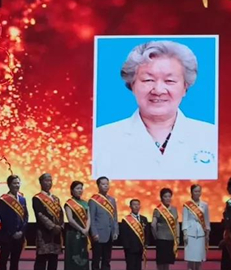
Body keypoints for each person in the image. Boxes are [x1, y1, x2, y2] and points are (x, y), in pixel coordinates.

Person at [93, 40, 218, 180]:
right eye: (148, 80)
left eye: (170, 81)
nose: (158, 90)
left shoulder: (212, 137)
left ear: (185, 87)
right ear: (132, 85)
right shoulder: (100, 140)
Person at [32, 173, 63, 270]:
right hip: (44, 233)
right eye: (46, 180)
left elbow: (60, 214)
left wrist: (60, 226)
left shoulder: (56, 199)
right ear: (41, 182)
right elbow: (40, 215)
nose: (49, 183)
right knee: (41, 261)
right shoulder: (37, 198)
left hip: (56, 234)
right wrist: (52, 226)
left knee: (53, 261)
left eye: (50, 180)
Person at [0, 174, 28, 270]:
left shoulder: (22, 199)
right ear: (9, 185)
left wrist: (21, 232)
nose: (17, 185)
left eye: (18, 183)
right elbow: (3, 217)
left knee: (15, 263)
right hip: (7, 236)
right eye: (14, 183)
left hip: (19, 236)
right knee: (3, 263)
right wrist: (12, 232)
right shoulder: (3, 199)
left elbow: (26, 217)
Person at [89, 176, 119, 270]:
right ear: (98, 186)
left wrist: (116, 231)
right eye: (103, 184)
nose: (106, 186)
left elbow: (115, 217)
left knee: (107, 261)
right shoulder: (94, 200)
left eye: (107, 184)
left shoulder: (112, 200)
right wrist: (94, 233)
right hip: (98, 234)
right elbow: (91, 218)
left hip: (109, 234)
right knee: (96, 261)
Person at [64, 181, 91, 270]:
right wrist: (81, 229)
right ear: (72, 190)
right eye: (77, 188)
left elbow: (88, 218)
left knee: (82, 257)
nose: (80, 190)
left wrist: (86, 229)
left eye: (81, 188)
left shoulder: (85, 203)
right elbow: (70, 220)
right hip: (73, 234)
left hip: (83, 234)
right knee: (72, 257)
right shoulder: (69, 203)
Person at [182, 184, 210, 270]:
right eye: (195, 191)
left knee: (199, 258)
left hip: (201, 233)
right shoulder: (187, 205)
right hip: (190, 233)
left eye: (199, 191)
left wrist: (207, 233)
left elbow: (207, 220)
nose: (197, 193)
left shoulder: (204, 205)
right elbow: (184, 220)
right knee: (190, 259)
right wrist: (185, 233)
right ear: (191, 192)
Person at [151, 188, 179, 270]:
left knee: (167, 261)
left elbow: (176, 223)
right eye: (165, 196)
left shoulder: (174, 209)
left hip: (171, 238)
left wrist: (177, 237)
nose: (167, 198)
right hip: (161, 238)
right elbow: (153, 224)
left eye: (169, 196)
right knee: (161, 262)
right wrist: (156, 236)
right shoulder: (158, 209)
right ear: (161, 198)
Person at [120, 199, 149, 270]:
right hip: (130, 247)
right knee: (131, 265)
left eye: (137, 204)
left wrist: (146, 243)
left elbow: (147, 233)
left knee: (138, 265)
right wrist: (126, 246)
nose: (136, 206)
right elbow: (124, 234)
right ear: (130, 207)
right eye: (134, 205)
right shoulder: (126, 220)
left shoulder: (144, 219)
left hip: (140, 246)